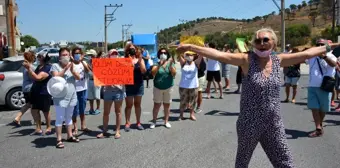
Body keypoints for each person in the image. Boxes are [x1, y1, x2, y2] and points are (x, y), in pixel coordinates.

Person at [176, 27, 340, 168]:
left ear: (273, 43)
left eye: (265, 40)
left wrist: (330, 46)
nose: (261, 43)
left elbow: (308, 53)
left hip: (273, 123)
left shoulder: (278, 60)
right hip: (249, 123)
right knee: (242, 162)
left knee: (285, 162)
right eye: (258, 40)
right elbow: (218, 55)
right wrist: (192, 46)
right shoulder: (246, 60)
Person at [50, 48, 81, 148]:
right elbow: (56, 77)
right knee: (60, 118)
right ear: (59, 57)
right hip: (60, 97)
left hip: (71, 95)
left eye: (67, 54)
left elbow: (78, 78)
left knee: (69, 117)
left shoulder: (72, 65)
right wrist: (66, 68)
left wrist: (72, 69)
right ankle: (59, 139)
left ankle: (69, 135)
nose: (65, 56)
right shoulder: (55, 66)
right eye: (63, 55)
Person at [306, 39, 337, 137]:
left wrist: (324, 56)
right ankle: (318, 127)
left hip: (325, 86)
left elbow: (333, 64)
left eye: (322, 44)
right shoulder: (312, 57)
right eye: (318, 44)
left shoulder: (331, 55)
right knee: (314, 107)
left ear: (326, 46)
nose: (319, 46)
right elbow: (303, 58)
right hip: (312, 85)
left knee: (323, 109)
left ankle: (320, 124)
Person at [96, 49, 125, 139]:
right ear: (109, 55)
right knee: (106, 112)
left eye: (116, 54)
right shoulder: (104, 65)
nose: (114, 55)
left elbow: (125, 77)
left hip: (118, 91)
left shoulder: (122, 64)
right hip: (107, 91)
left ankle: (117, 131)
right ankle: (104, 131)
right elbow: (100, 76)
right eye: (112, 54)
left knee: (118, 112)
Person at [24, 51, 52, 135]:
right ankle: (38, 128)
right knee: (34, 110)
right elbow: (32, 77)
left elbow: (38, 78)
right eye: (38, 56)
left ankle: (48, 127)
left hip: (44, 92)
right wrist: (28, 69)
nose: (38, 57)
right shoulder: (39, 66)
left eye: (40, 56)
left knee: (45, 111)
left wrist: (29, 69)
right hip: (35, 91)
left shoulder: (48, 67)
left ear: (44, 57)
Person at [150, 48, 176, 129]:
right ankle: (154, 121)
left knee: (167, 105)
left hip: (168, 87)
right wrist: (159, 65)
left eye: (165, 53)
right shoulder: (156, 63)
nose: (163, 54)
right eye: (161, 52)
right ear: (159, 54)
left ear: (167, 54)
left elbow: (174, 74)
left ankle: (166, 121)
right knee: (157, 105)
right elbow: (153, 73)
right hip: (158, 88)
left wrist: (171, 64)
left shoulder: (170, 63)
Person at [124, 43, 146, 131]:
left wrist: (140, 61)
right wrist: (129, 62)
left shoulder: (140, 59)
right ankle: (127, 123)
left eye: (133, 49)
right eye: (130, 49)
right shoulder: (125, 60)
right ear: (127, 51)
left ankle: (138, 122)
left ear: (136, 50)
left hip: (139, 85)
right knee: (129, 105)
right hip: (129, 85)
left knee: (137, 104)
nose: (132, 50)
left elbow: (143, 71)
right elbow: (124, 73)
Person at [71, 47, 91, 136]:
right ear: (73, 55)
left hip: (83, 89)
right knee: (75, 109)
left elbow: (88, 71)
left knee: (82, 108)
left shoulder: (84, 63)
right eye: (75, 53)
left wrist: (82, 61)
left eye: (79, 53)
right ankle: (75, 127)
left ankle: (83, 125)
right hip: (74, 90)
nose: (77, 55)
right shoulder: (70, 64)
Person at [178, 51, 203, 121]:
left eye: (191, 55)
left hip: (194, 86)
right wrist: (180, 49)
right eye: (188, 55)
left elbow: (201, 56)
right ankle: (181, 115)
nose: (189, 56)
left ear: (194, 56)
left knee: (193, 101)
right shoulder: (183, 63)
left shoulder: (196, 63)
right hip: (183, 86)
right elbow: (179, 54)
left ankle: (191, 115)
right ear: (185, 56)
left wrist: (202, 47)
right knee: (183, 101)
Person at [12, 51, 35, 126]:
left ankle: (17, 118)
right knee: (32, 105)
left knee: (29, 105)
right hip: (30, 88)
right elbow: (33, 77)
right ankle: (36, 121)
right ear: (32, 57)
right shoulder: (30, 66)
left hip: (25, 88)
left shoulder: (24, 66)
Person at [86, 49, 101, 115]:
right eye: (89, 55)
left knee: (97, 96)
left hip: (97, 80)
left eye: (91, 55)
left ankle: (98, 108)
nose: (89, 56)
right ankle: (91, 109)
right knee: (90, 97)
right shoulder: (88, 61)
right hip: (90, 80)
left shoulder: (98, 61)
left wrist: (89, 67)